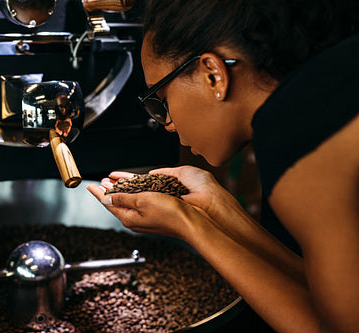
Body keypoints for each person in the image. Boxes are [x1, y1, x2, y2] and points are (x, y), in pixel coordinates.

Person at [86, 1, 359, 332]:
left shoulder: (297, 142)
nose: (168, 124)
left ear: (213, 74)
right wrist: (217, 207)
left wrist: (189, 225)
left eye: (162, 100)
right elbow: (323, 287)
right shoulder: (323, 93)